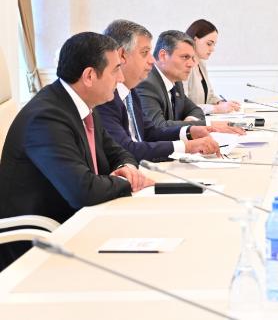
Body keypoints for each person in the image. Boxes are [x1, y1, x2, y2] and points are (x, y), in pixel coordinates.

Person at [0, 32, 153, 269]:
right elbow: (82, 191)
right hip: (36, 244)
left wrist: (126, 167)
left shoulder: (82, 105)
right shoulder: (46, 117)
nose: (121, 78)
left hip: (76, 223)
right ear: (89, 76)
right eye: (115, 70)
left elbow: (118, 152)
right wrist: (127, 182)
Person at [97, 20, 221, 162]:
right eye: (145, 53)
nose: (152, 60)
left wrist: (188, 131)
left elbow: (151, 132)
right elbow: (128, 149)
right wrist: (186, 146)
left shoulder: (130, 92)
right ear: (122, 56)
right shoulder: (106, 97)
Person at [184, 19, 241, 114]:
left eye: (214, 45)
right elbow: (184, 106)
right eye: (209, 44)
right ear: (194, 40)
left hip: (202, 119)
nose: (212, 49)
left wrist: (221, 102)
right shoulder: (184, 66)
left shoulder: (201, 64)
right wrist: (217, 109)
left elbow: (209, 96)